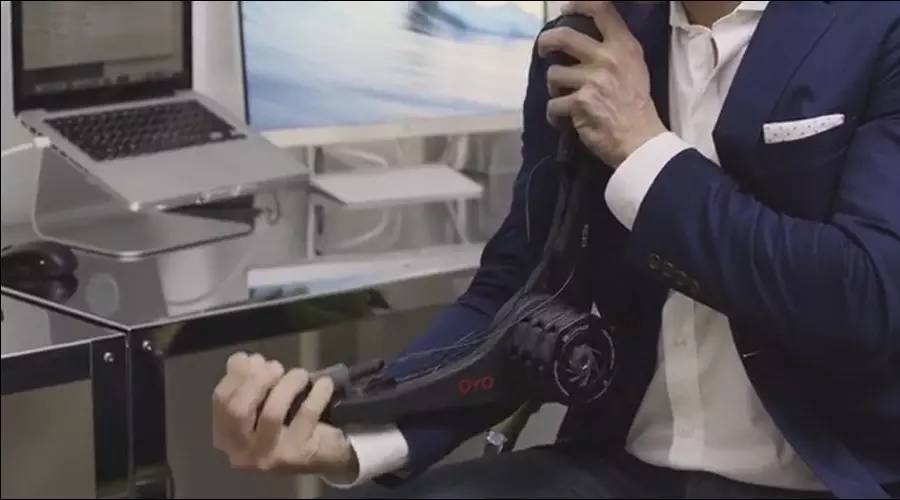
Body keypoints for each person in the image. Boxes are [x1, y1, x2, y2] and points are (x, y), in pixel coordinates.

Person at [211, 1, 900, 498]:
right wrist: (354, 429)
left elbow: (867, 298)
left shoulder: (878, 24)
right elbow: (521, 292)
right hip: (618, 464)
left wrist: (643, 149)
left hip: (831, 476)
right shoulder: (590, 39)